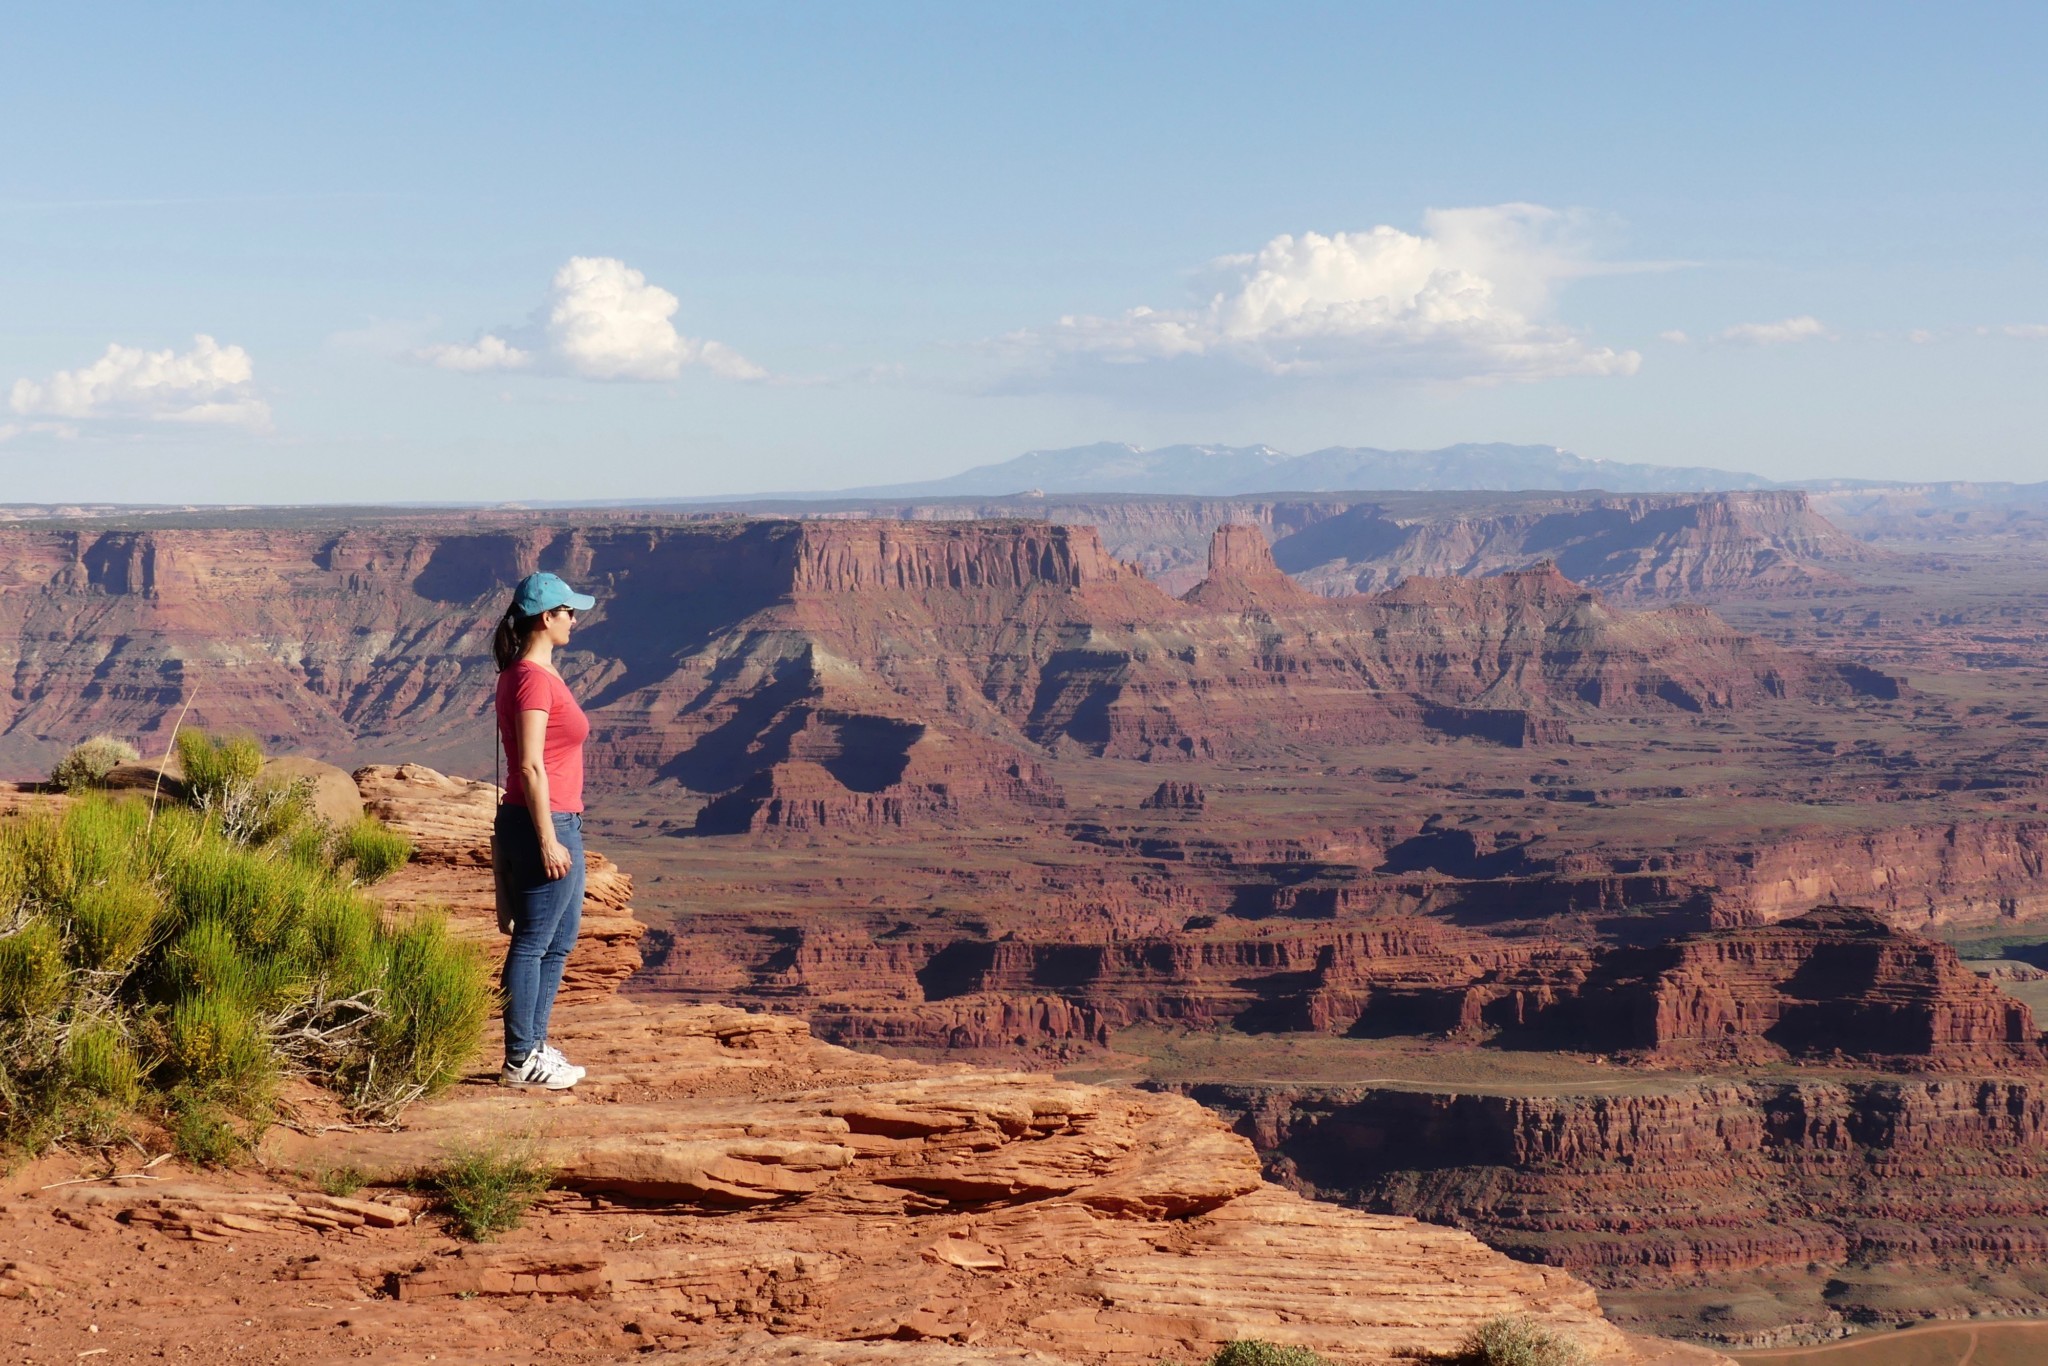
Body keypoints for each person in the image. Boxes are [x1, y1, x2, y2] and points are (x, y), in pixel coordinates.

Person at [491, 570, 597, 1089]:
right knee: (533, 942)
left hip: (557, 818)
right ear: (546, 618)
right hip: (545, 820)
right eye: (568, 612)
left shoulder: (526, 673)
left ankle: (534, 1044)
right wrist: (547, 838)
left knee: (560, 940)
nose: (574, 619)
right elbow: (530, 766)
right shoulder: (531, 678)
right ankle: (518, 1059)